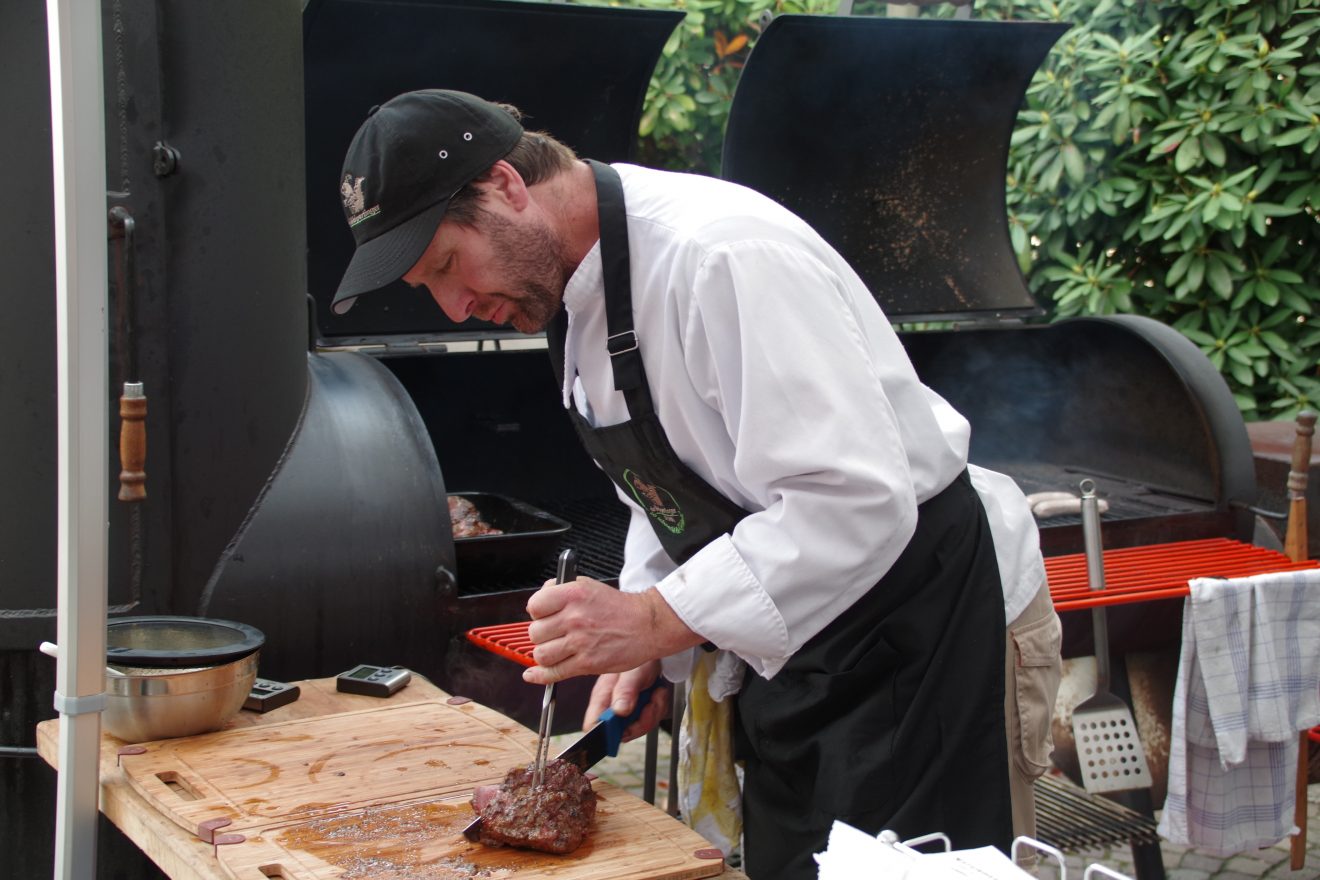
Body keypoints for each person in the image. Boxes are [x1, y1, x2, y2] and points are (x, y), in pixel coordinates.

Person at [330, 89, 1061, 878]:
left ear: (507, 187)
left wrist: (661, 616)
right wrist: (649, 635)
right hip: (806, 648)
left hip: (927, 626)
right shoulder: (576, 290)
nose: (455, 307)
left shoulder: (718, 256)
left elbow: (853, 497)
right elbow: (664, 484)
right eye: (426, 289)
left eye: (446, 265)